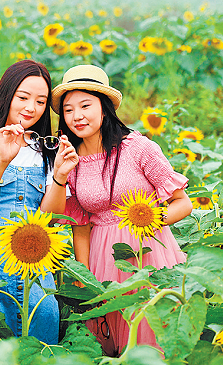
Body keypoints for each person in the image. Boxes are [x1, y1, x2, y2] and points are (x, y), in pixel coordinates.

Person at [49, 65, 193, 355]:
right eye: (68, 110)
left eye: (85, 106)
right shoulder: (71, 161)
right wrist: (83, 275)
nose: (77, 116)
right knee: (112, 344)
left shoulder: (138, 148)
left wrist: (147, 221)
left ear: (104, 109)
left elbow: (184, 203)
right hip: (102, 259)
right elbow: (81, 226)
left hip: (148, 251)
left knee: (151, 337)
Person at [0, 59, 75, 345]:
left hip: (36, 260)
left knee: (40, 332)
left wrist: (59, 176)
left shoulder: (47, 147)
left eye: (40, 101)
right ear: (6, 95)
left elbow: (51, 217)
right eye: (23, 97)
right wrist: (2, 161)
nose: (30, 108)